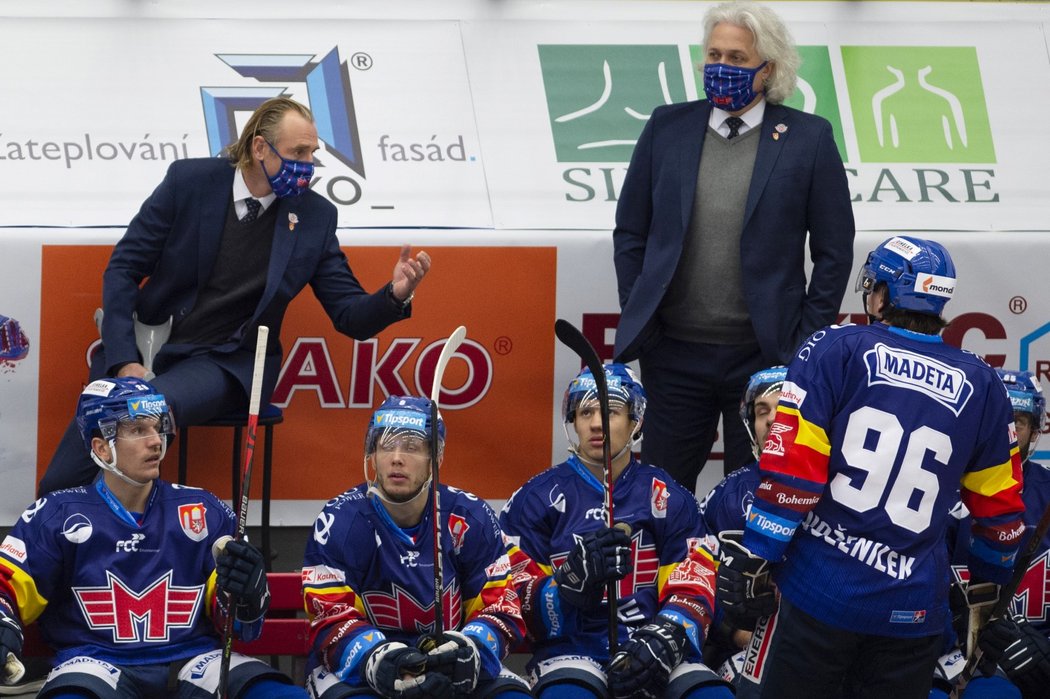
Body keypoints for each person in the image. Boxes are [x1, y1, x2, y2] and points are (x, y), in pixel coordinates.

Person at [40, 96, 431, 495]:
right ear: (259, 147)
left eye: (313, 154)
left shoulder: (315, 215)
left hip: (224, 362)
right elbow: (124, 267)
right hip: (144, 345)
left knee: (144, 406)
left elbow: (350, 315)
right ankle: (53, 512)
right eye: (298, 152)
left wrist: (395, 295)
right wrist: (124, 360)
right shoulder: (189, 182)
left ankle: (114, 532)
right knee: (111, 409)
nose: (308, 165)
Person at [716, 236, 1026, 699]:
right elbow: (1001, 518)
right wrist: (989, 581)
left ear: (884, 294)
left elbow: (792, 475)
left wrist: (759, 552)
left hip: (822, 593)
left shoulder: (834, 347)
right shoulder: (983, 383)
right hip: (913, 609)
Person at [612, 0, 855, 491]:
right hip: (673, 354)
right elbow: (631, 232)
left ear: (769, 68)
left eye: (738, 59)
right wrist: (645, 317)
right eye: (715, 55)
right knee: (661, 499)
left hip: (764, 358)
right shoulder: (667, 127)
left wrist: (801, 344)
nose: (722, 68)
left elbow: (835, 249)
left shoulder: (808, 139)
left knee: (757, 497)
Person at [0, 377, 306, 698]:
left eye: (158, 427)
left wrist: (247, 594)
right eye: (137, 430)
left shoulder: (203, 509)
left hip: (195, 661)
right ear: (101, 447)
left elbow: (240, 626)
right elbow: (6, 586)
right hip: (94, 664)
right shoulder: (56, 514)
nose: (156, 441)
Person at [499, 364, 732, 698]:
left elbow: (695, 584)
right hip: (571, 650)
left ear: (635, 421)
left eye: (611, 411)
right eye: (585, 412)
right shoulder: (535, 498)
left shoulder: (666, 494)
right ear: (573, 422)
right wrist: (563, 589)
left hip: (656, 646)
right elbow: (511, 601)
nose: (596, 423)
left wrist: (664, 639)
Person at [301, 396, 531, 699]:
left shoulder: (469, 518)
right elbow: (329, 618)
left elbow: (499, 609)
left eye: (411, 446)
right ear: (372, 452)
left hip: (446, 668)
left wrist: (467, 651)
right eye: (386, 445)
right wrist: (380, 659)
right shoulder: (340, 521)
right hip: (364, 671)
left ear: (436, 456)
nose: (397, 458)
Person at [930, 370, 1047, 699]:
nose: (1005, 435)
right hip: (933, 652)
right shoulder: (929, 484)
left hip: (1018, 656)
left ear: (1036, 431)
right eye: (995, 421)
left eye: (1017, 424)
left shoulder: (1046, 495)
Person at [694, 366, 785, 675]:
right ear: (751, 425)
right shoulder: (727, 498)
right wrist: (736, 632)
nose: (773, 418)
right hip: (748, 648)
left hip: (828, 647)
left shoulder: (842, 491)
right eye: (763, 411)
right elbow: (696, 583)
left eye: (784, 408)